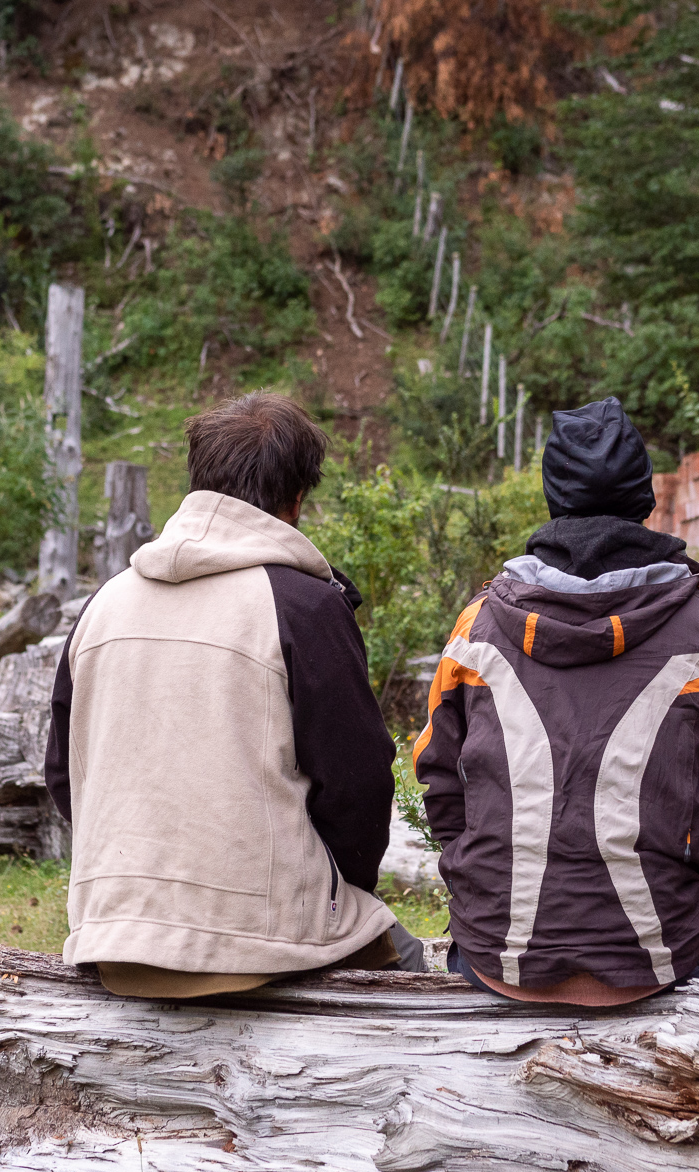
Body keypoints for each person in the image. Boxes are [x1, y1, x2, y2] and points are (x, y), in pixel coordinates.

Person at [46, 391, 423, 999]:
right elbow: (358, 784)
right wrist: (342, 889)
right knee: (412, 974)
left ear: (197, 484)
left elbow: (63, 778)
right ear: (296, 502)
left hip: (111, 942)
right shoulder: (304, 606)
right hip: (264, 944)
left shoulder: (104, 603)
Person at [413, 397, 699, 1005]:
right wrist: (692, 906)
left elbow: (438, 781)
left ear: (552, 500)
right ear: (647, 501)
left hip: (495, 959)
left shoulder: (476, 628)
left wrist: (479, 885)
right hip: (663, 955)